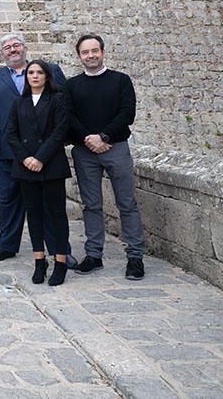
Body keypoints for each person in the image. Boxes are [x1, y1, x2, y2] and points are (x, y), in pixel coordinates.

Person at [0, 33, 73, 264]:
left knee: (51, 204)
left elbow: (65, 105)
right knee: (8, 199)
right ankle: (8, 245)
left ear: (25, 48)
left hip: (46, 154)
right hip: (9, 149)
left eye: (16, 45)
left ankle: (60, 250)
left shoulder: (49, 70)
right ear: (2, 53)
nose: (12, 50)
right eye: (7, 47)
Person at [67, 34, 145, 281]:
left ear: (102, 52)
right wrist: (89, 139)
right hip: (84, 151)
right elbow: (69, 116)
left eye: (94, 51)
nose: (90, 56)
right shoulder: (72, 85)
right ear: (79, 56)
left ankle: (135, 256)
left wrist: (104, 136)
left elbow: (127, 113)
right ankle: (93, 254)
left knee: (127, 203)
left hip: (117, 147)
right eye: (85, 52)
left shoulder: (121, 80)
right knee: (91, 205)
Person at [6, 60, 72, 285]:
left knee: (56, 214)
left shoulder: (58, 99)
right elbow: (11, 134)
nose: (35, 76)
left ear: (47, 76)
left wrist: (40, 158)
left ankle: (60, 262)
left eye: (39, 72)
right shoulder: (18, 102)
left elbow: (59, 131)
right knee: (33, 213)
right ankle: (39, 260)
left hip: (51, 164)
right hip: (26, 166)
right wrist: (26, 158)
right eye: (31, 72)